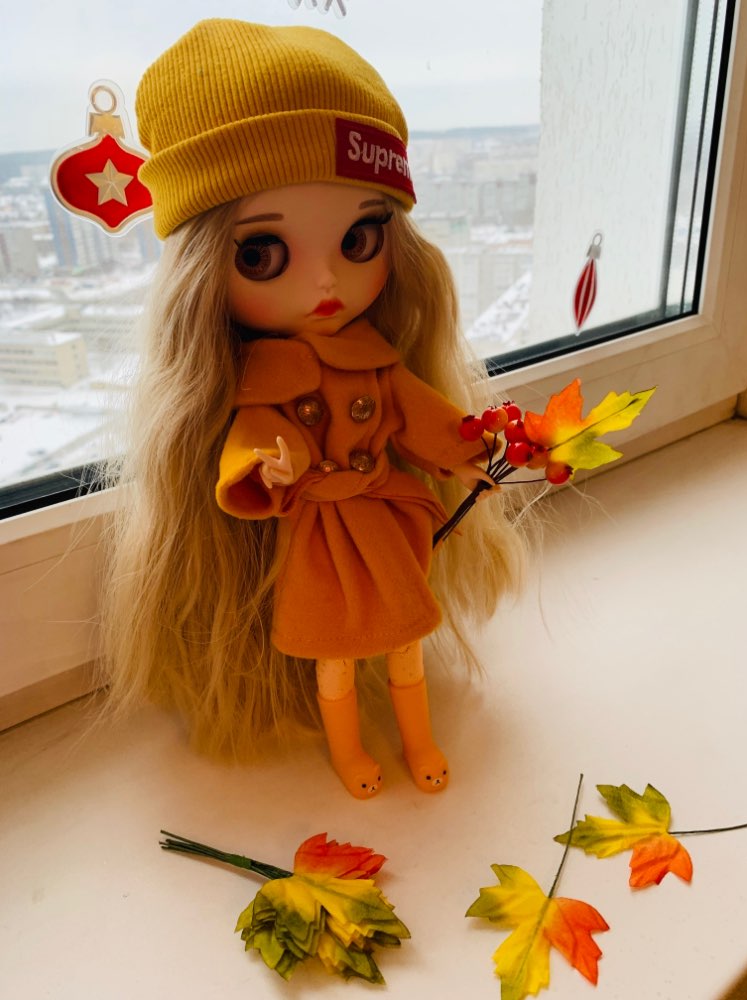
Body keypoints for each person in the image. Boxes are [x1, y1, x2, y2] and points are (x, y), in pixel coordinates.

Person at [102, 18, 524, 798]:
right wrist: (268, 465)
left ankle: (419, 739)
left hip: (384, 527)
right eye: (261, 254)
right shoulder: (258, 380)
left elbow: (423, 417)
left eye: (359, 239)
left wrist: (471, 456)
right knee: (336, 655)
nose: (326, 282)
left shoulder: (377, 357)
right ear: (203, 271)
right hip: (320, 544)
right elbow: (253, 436)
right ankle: (351, 752)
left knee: (404, 644)